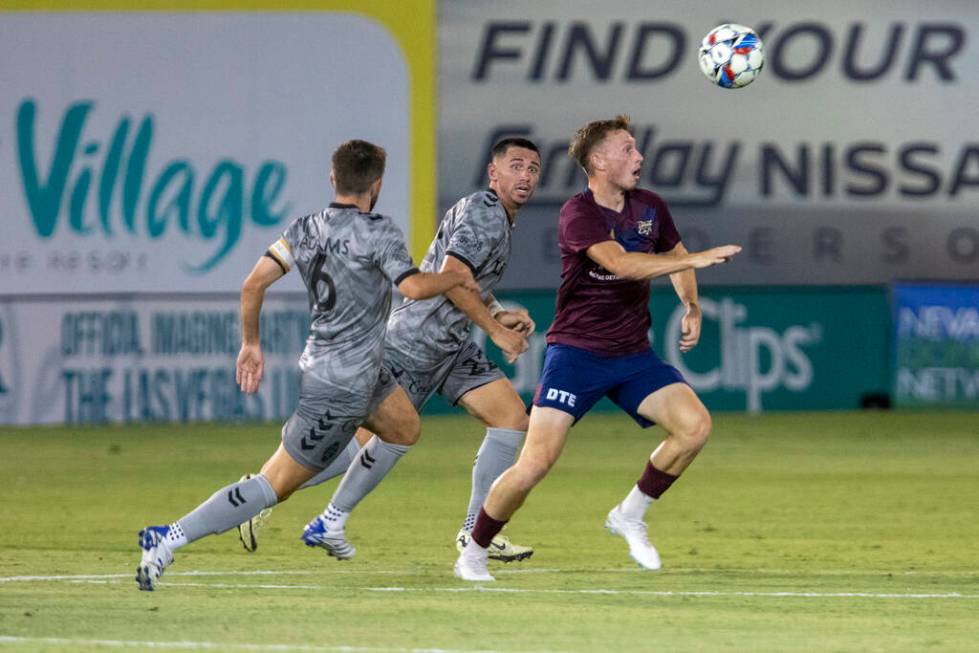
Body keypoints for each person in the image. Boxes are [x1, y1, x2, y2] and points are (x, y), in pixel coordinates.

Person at [135, 139, 477, 591]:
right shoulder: (379, 231)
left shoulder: (303, 228)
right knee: (272, 486)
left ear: (333, 179)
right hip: (338, 385)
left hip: (358, 370)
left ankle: (332, 521)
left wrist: (251, 344)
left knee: (404, 428)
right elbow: (412, 288)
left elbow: (253, 283)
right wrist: (454, 274)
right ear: (376, 185)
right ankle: (168, 537)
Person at [453, 115, 742, 581]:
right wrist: (694, 259)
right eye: (628, 149)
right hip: (576, 354)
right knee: (535, 462)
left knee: (694, 427)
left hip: (631, 354)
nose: (639, 157)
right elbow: (622, 264)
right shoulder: (577, 213)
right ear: (598, 161)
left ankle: (629, 514)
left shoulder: (650, 206)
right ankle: (475, 549)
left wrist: (691, 303)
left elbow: (673, 255)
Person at [238, 138, 543, 563]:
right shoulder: (485, 214)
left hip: (450, 346)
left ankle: (477, 534)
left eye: (533, 168)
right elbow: (453, 277)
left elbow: (458, 276)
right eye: (516, 166)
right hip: (414, 343)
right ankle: (260, 492)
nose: (526, 175)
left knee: (510, 418)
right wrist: (495, 329)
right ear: (494, 173)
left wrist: (496, 311)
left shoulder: (490, 215)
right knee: (354, 447)